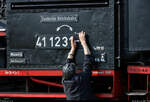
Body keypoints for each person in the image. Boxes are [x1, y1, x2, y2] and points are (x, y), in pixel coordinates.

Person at [62, 31, 97, 100]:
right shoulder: (81, 79)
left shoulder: (65, 81)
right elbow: (88, 60)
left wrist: (73, 48)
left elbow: (68, 62)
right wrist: (83, 42)